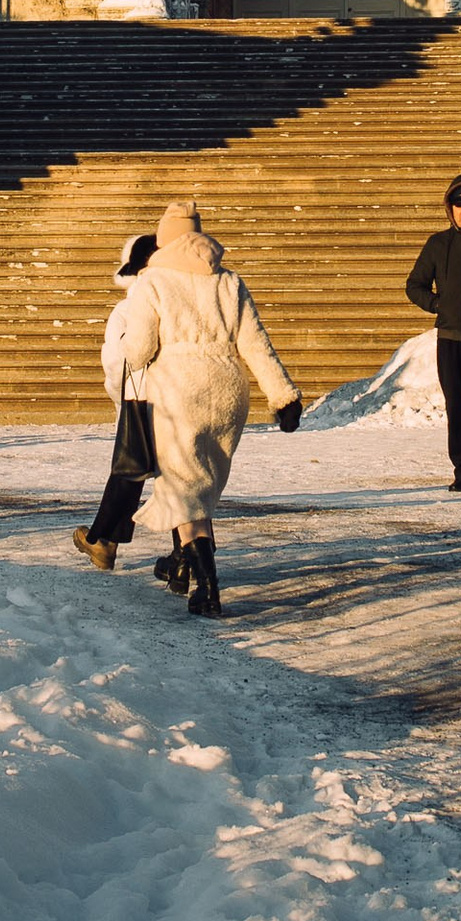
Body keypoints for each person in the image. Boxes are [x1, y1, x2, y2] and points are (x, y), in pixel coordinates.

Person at [111, 199, 302, 616]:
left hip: (179, 388)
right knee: (199, 488)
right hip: (227, 390)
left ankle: (207, 588)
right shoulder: (229, 280)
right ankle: (181, 563)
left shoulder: (153, 280)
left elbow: (140, 349)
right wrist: (284, 395)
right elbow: (255, 343)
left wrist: (128, 347)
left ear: (164, 240)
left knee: (183, 488)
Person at [75, 233, 160, 569]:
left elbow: (116, 363)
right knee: (180, 481)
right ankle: (190, 554)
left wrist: (120, 401)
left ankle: (103, 540)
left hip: (142, 399)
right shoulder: (178, 297)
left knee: (129, 471)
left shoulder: (129, 307)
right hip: (181, 397)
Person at [405, 176, 461, 486]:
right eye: (460, 204)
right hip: (450, 338)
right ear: (450, 209)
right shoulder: (438, 244)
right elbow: (414, 285)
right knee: (456, 406)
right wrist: (440, 305)